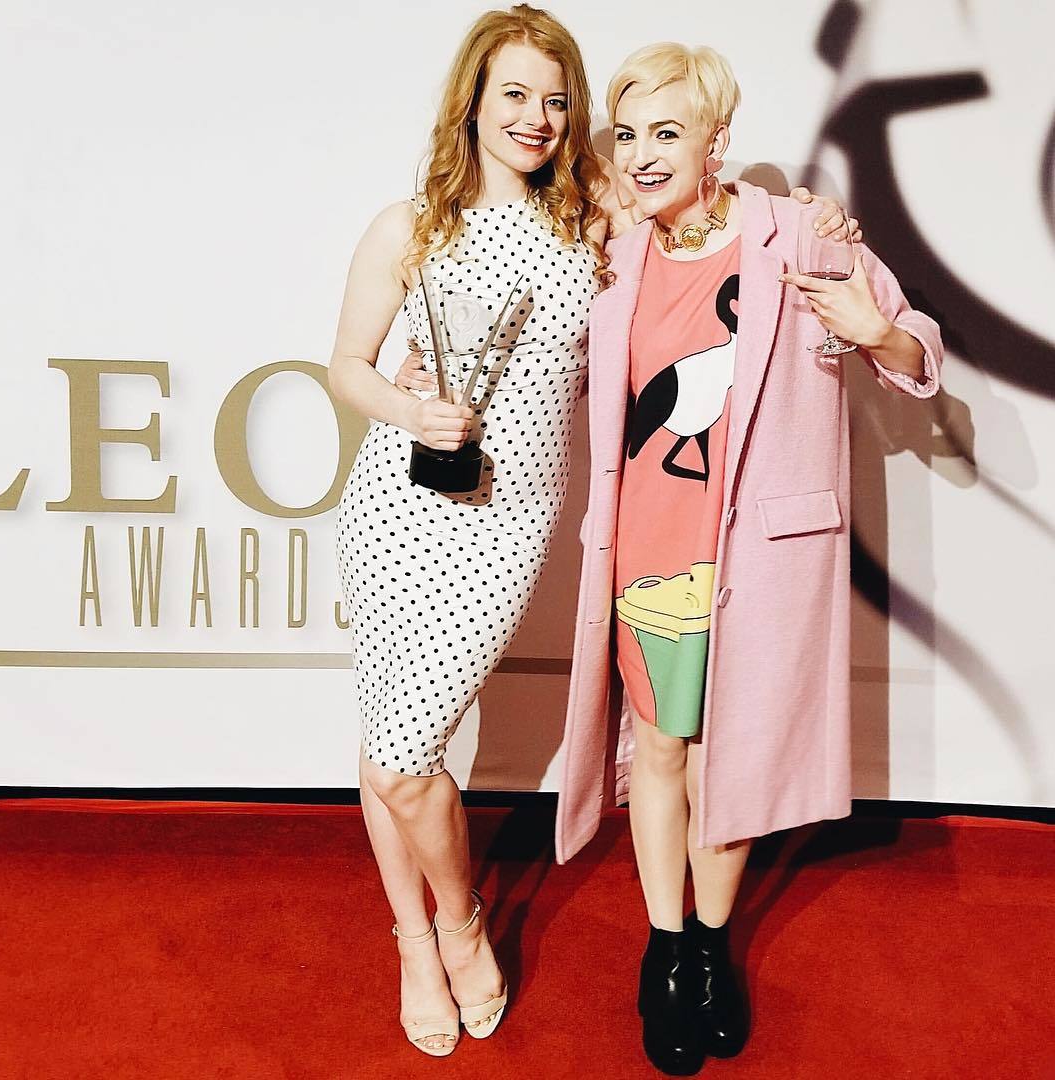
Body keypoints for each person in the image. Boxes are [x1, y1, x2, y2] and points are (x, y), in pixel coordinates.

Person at [340, 3, 854, 1058]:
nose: (534, 116)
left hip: (507, 523)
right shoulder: (409, 226)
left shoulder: (595, 217)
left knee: (403, 751)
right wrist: (408, 408)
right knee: (391, 746)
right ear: (472, 102)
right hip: (397, 505)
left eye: (554, 99)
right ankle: (423, 940)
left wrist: (814, 215)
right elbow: (346, 365)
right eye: (513, 94)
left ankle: (458, 921)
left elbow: (710, 208)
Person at [553, 42, 943, 1075]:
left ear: (716, 141)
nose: (643, 155)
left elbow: (917, 354)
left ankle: (710, 948)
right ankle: (664, 944)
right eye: (628, 136)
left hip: (762, 564)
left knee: (728, 752)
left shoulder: (800, 234)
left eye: (667, 132)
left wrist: (876, 332)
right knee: (661, 749)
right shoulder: (612, 258)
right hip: (646, 552)